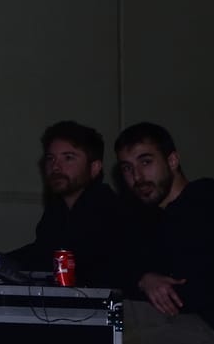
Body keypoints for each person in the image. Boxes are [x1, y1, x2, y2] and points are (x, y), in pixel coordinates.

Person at [115, 122, 214, 344]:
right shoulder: (144, 218)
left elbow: (192, 285)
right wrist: (144, 278)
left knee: (102, 327)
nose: (137, 177)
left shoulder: (205, 200)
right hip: (176, 328)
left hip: (209, 329)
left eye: (146, 162)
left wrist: (149, 280)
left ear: (172, 161)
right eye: (127, 168)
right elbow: (117, 267)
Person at [10, 121, 133, 288]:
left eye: (68, 158)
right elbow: (40, 253)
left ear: (94, 168)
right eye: (50, 158)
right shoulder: (56, 211)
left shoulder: (109, 211)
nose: (55, 167)